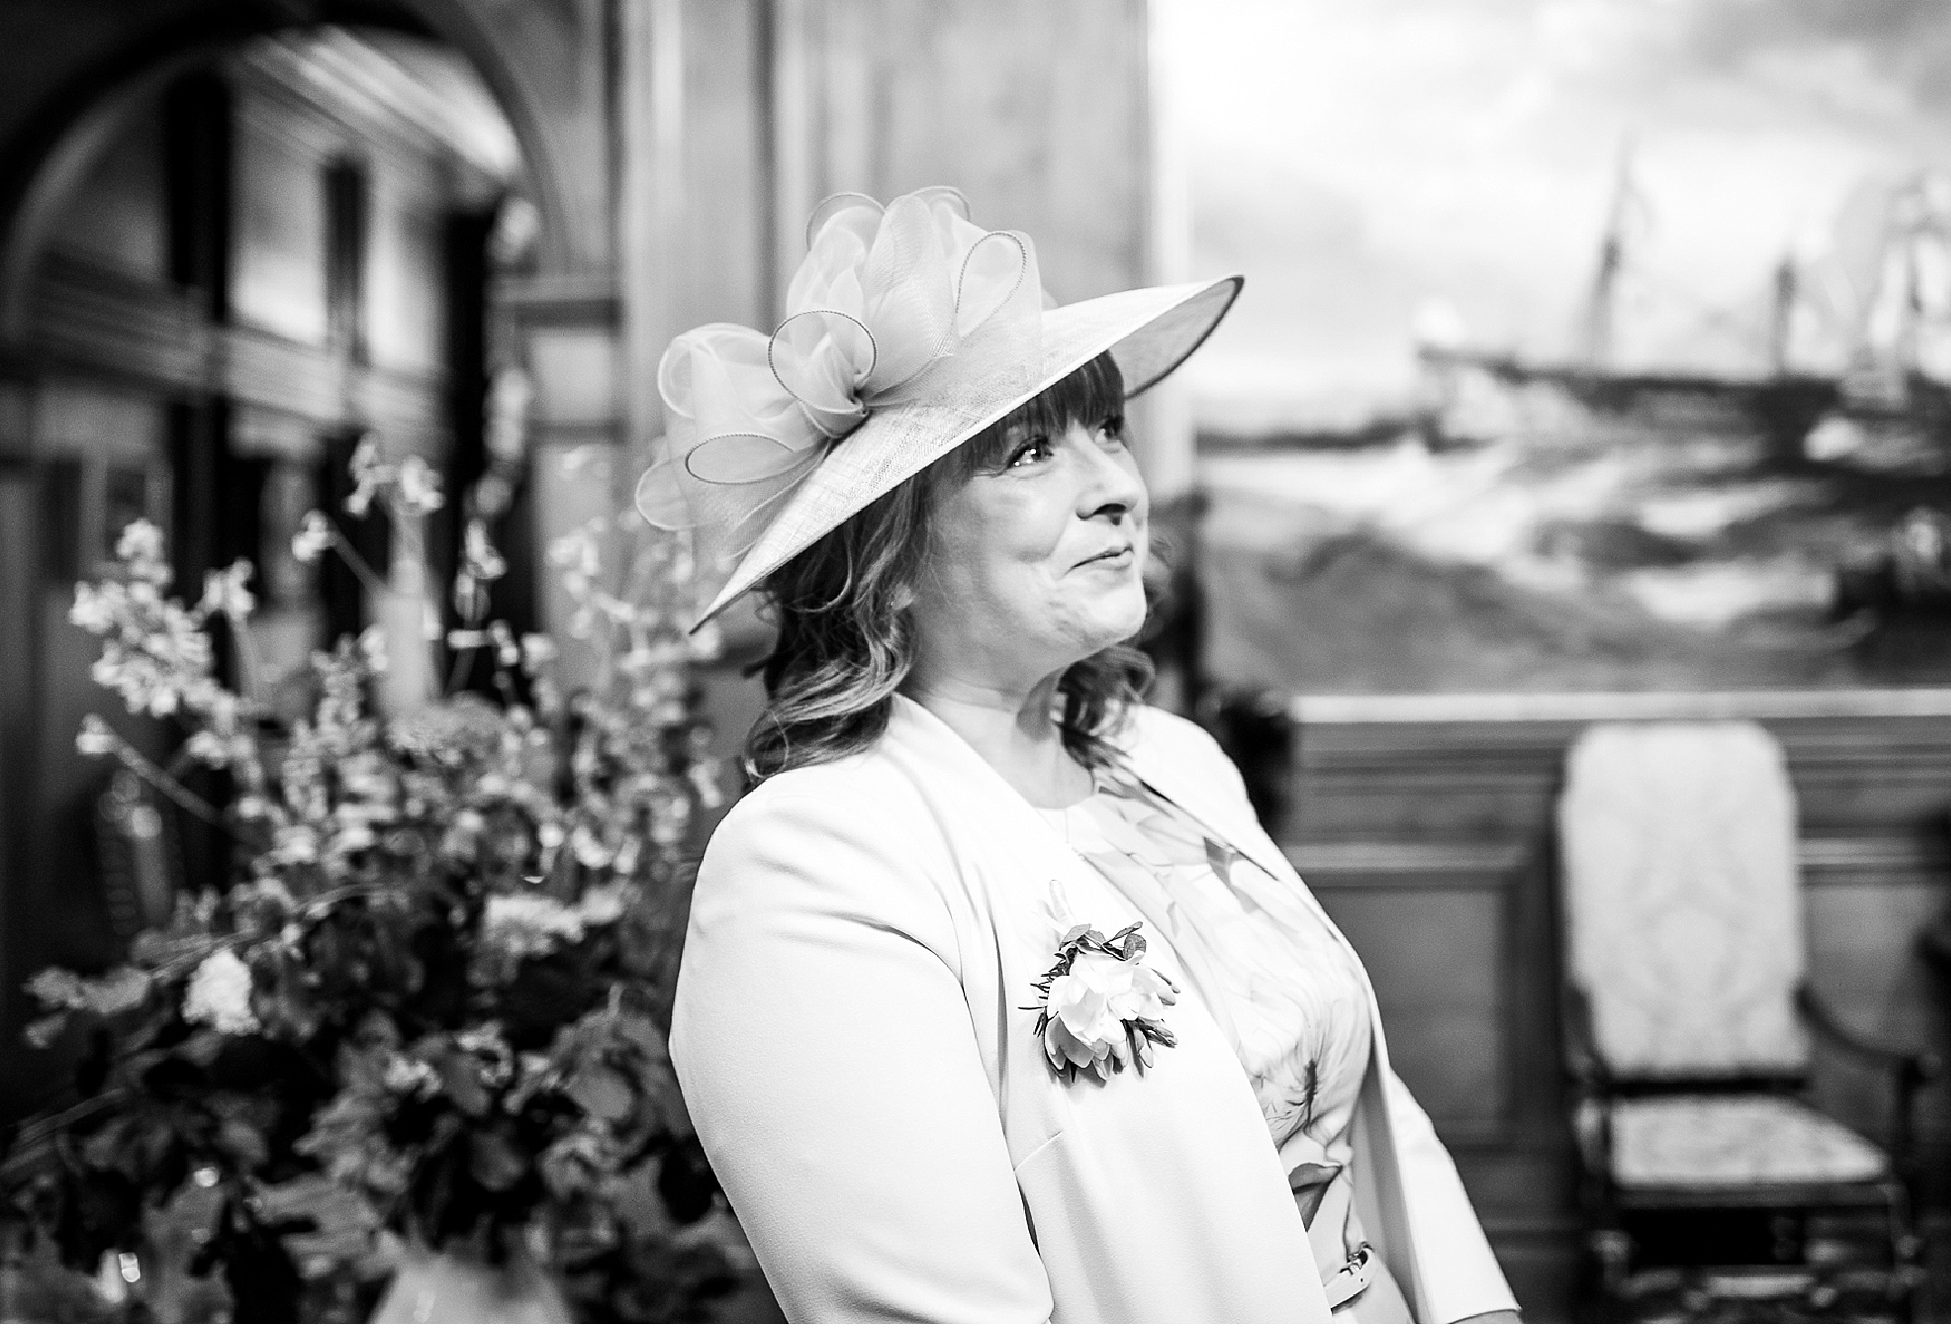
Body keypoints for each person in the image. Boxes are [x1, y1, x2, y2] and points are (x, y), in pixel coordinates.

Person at [647, 187, 1518, 1323]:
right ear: (887, 556)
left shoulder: (1172, 760)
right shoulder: (816, 862)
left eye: (1108, 429)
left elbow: (1368, 1110)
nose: (1117, 487)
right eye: (1029, 452)